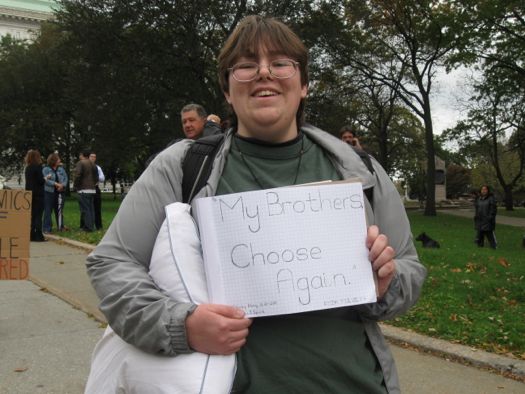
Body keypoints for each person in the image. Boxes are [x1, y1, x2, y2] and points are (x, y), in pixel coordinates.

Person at [86, 15, 426, 393]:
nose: (264, 73)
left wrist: (384, 283)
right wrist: (181, 325)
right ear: (228, 91)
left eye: (281, 63)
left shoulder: (360, 170)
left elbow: (409, 266)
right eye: (246, 65)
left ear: (304, 85)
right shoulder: (182, 166)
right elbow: (112, 262)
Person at [42, 153, 68, 233]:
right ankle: (47, 228)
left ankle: (61, 226)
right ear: (53, 160)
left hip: (60, 192)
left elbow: (65, 178)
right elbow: (46, 180)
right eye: (58, 159)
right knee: (48, 210)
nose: (60, 160)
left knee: (59, 210)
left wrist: (62, 186)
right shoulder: (45, 169)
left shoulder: (61, 169)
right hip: (49, 192)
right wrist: (55, 184)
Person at [73, 150, 98, 232]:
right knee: (91, 209)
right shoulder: (93, 164)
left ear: (82, 155)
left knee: (85, 209)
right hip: (92, 189)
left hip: (83, 189)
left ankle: (88, 228)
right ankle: (91, 226)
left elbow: (78, 175)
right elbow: (96, 177)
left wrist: (75, 185)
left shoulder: (81, 163)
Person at [24, 149, 45, 242]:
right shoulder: (38, 167)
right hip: (39, 194)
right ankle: (39, 235)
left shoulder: (28, 168)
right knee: (38, 216)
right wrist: (45, 178)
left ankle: (31, 235)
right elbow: (40, 180)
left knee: (32, 215)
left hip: (29, 193)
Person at [89, 152, 105, 230]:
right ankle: (88, 225)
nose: (93, 158)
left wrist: (96, 178)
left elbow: (102, 178)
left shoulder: (98, 168)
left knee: (97, 208)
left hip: (95, 188)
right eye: (91, 156)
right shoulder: (86, 167)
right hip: (87, 188)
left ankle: (99, 226)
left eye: (94, 157)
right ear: (88, 157)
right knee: (88, 208)